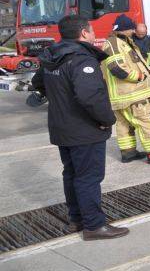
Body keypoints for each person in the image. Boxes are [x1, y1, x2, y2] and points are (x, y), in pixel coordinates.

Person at [31, 15, 129, 240]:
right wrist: (107, 119)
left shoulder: (51, 56)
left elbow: (38, 84)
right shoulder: (82, 59)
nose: (94, 35)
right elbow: (89, 97)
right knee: (88, 178)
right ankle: (94, 226)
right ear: (84, 33)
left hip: (61, 128)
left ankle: (76, 219)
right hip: (84, 130)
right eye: (92, 31)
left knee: (72, 174)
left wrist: (61, 99)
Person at [101, 14, 150, 165]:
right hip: (131, 94)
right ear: (126, 29)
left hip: (123, 95)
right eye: (132, 28)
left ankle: (128, 153)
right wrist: (139, 76)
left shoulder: (120, 42)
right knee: (146, 123)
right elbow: (116, 67)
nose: (134, 31)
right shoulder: (114, 43)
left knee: (124, 125)